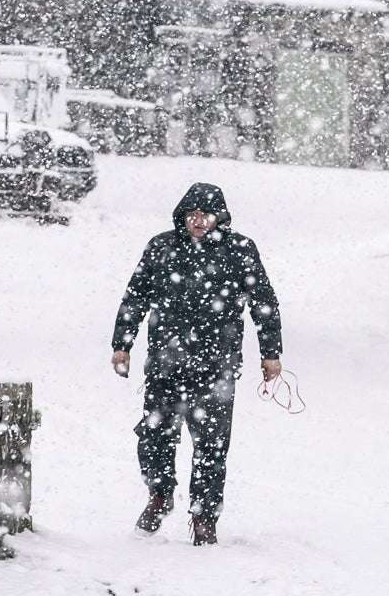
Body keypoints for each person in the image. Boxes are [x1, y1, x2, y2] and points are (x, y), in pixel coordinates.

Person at [111, 182, 282, 546]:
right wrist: (122, 345)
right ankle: (160, 495)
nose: (198, 221)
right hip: (165, 364)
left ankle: (204, 516)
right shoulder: (161, 247)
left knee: (212, 446)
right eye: (191, 214)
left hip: (216, 365)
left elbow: (263, 302)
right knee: (155, 436)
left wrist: (271, 353)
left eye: (205, 215)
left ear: (220, 217)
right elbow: (135, 297)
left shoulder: (239, 250)